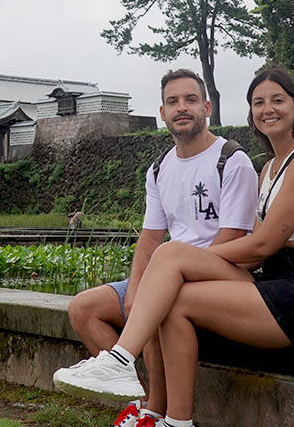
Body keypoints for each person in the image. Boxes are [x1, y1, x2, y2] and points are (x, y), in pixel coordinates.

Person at [53, 67, 294, 427]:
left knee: (170, 257)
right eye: (258, 102)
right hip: (278, 281)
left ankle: (119, 362)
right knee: (171, 297)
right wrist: (172, 266)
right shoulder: (271, 168)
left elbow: (261, 244)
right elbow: (257, 243)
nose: (267, 109)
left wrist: (181, 261)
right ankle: (174, 421)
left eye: (277, 100)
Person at [64, 69, 258, 427]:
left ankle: (157, 411)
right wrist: (138, 287)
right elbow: (151, 238)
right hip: (167, 269)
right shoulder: (159, 168)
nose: (181, 108)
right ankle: (142, 404)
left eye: (189, 100)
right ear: (162, 112)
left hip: (220, 274)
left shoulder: (232, 160)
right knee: (83, 309)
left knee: (158, 301)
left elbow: (234, 237)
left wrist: (169, 283)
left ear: (207, 107)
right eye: (173, 102)